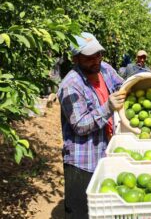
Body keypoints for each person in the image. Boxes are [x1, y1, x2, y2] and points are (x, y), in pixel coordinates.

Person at [58, 32, 126, 219]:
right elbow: (79, 125)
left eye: (98, 54)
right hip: (83, 162)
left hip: (106, 153)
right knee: (81, 212)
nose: (95, 60)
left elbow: (122, 85)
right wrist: (108, 108)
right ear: (75, 58)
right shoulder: (70, 86)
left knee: (104, 209)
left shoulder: (104, 69)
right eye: (89, 57)